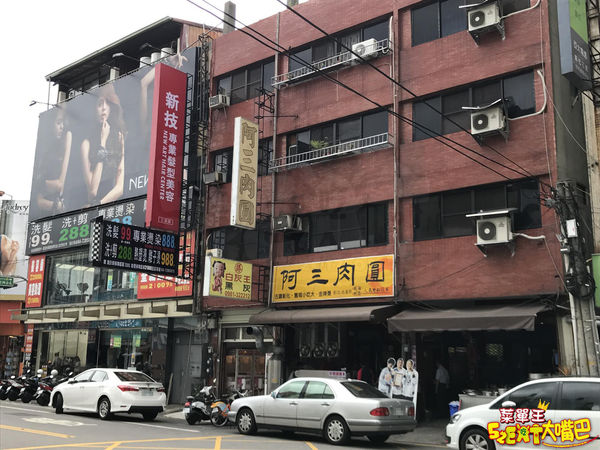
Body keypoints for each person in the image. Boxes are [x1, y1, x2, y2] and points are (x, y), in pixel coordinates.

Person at [81, 83, 126, 206]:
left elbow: (120, 187)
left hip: (110, 206)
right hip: (91, 209)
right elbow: (93, 191)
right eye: (100, 104)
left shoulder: (119, 137)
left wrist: (100, 204)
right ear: (94, 109)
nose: (104, 108)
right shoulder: (86, 144)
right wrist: (103, 143)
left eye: (108, 103)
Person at [32, 106, 72, 216]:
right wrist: (55, 205)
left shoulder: (67, 138)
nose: (62, 127)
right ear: (50, 124)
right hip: (48, 213)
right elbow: (39, 201)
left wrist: (45, 184)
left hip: (63, 207)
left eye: (63, 123)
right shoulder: (46, 152)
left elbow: (60, 185)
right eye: (58, 123)